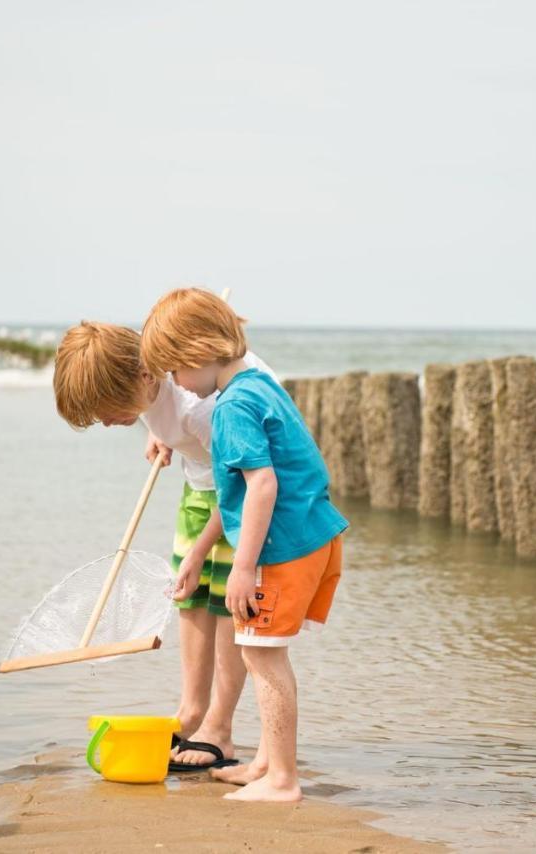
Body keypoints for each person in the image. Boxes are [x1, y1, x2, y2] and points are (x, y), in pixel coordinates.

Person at [140, 288, 347, 802]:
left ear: (197, 355)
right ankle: (264, 762)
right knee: (262, 652)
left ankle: (283, 780)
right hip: (313, 533)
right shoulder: (259, 384)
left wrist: (242, 567)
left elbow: (261, 486)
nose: (178, 386)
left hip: (284, 546)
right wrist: (200, 553)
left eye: (176, 372)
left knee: (261, 656)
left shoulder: (230, 409)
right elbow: (245, 490)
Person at [52, 318, 273, 772]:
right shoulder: (158, 392)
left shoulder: (202, 407)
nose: (108, 423)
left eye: (109, 410)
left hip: (240, 495)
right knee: (189, 597)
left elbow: (243, 485)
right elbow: (164, 412)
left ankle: (220, 728)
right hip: (200, 485)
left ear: (145, 376)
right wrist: (160, 431)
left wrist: (201, 549)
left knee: (226, 602)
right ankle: (191, 711)